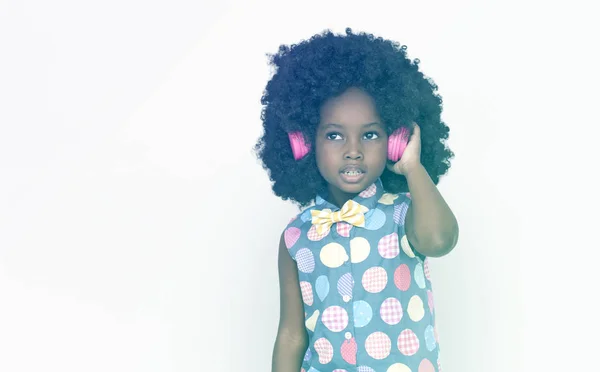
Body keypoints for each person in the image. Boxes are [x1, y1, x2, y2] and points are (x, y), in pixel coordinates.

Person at [254, 27, 459, 372]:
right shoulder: (296, 235)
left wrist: (412, 167)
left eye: (371, 135)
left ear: (394, 139)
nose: (353, 151)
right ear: (304, 142)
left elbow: (439, 240)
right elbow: (291, 334)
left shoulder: (405, 213)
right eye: (334, 135)